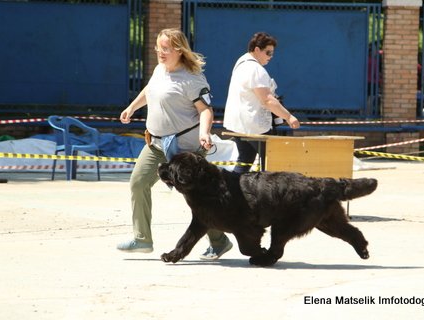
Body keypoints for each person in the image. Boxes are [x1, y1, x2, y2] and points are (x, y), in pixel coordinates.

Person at [117, 28, 232, 256]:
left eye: (166, 48)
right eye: (158, 47)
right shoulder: (160, 70)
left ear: (179, 50)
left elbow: (206, 110)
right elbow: (150, 90)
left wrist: (204, 133)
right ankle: (142, 239)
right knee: (138, 184)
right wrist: (132, 107)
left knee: (200, 197)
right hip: (156, 144)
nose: (160, 52)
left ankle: (219, 241)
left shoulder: (192, 79)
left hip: (186, 148)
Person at [199, 32, 300, 260]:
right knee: (269, 169)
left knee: (243, 164)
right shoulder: (255, 69)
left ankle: (230, 198)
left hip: (239, 126)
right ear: (256, 49)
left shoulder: (241, 63)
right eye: (268, 52)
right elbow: (267, 100)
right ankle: (270, 206)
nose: (270, 57)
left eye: (272, 53)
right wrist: (289, 117)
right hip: (254, 127)